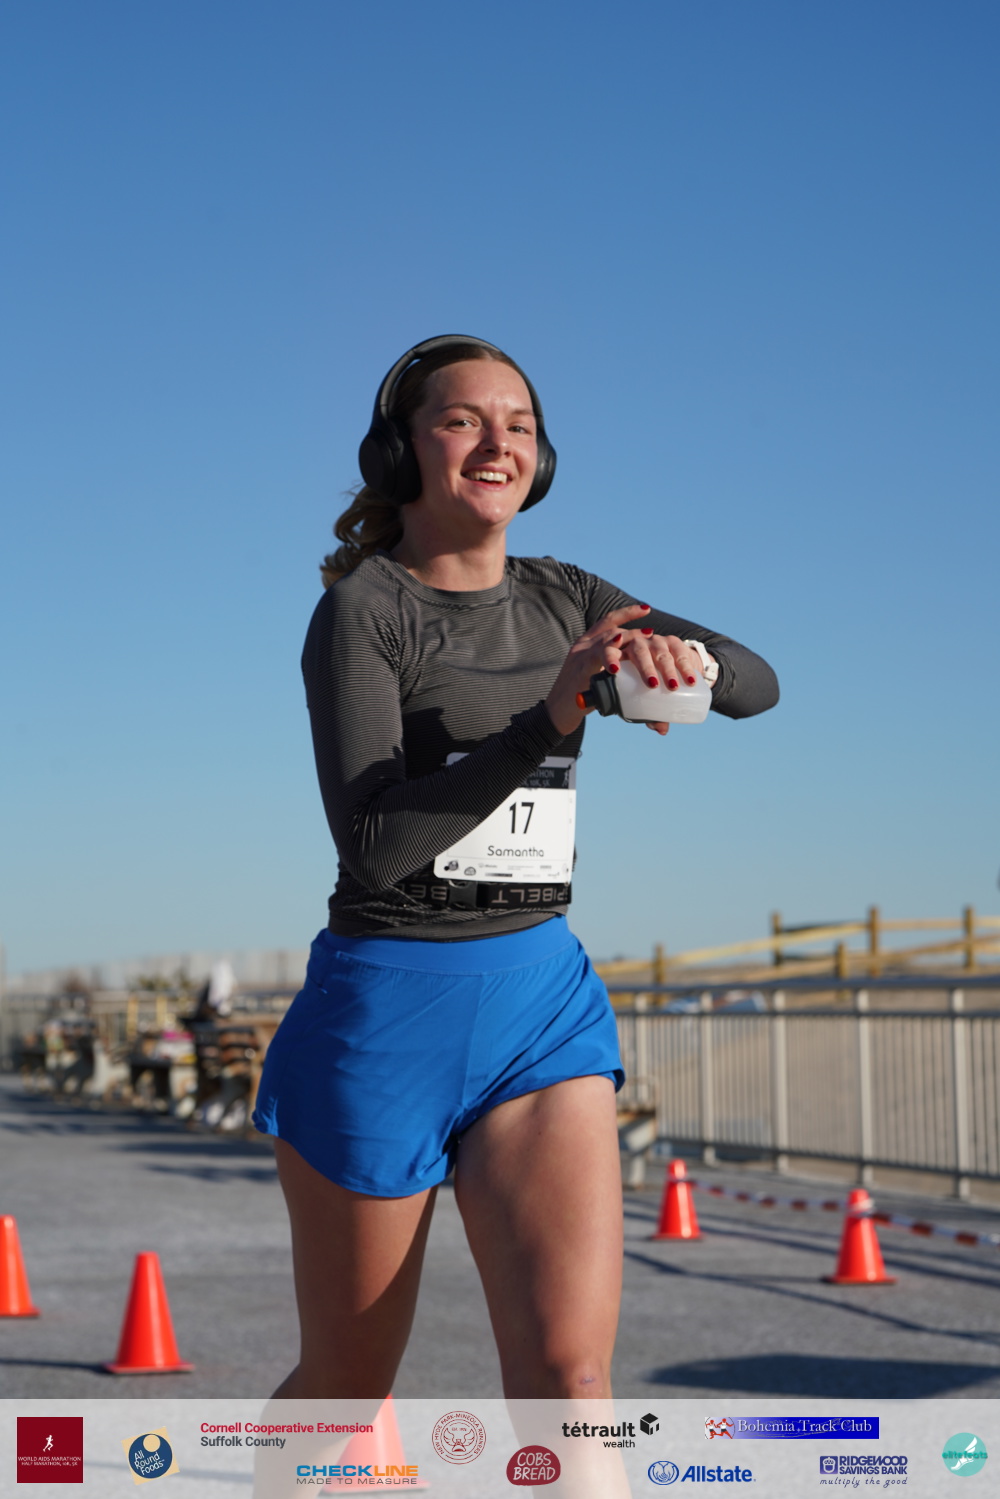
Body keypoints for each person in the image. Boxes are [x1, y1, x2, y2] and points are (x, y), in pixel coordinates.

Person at [252, 335, 779, 1403]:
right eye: (462, 420)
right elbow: (375, 846)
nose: (497, 443)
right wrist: (550, 714)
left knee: (570, 1379)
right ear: (399, 451)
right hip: (386, 1011)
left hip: (538, 1005)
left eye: (520, 425)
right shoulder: (365, 609)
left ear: (542, 459)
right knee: (348, 1389)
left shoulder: (569, 594)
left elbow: (757, 684)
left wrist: (672, 663)